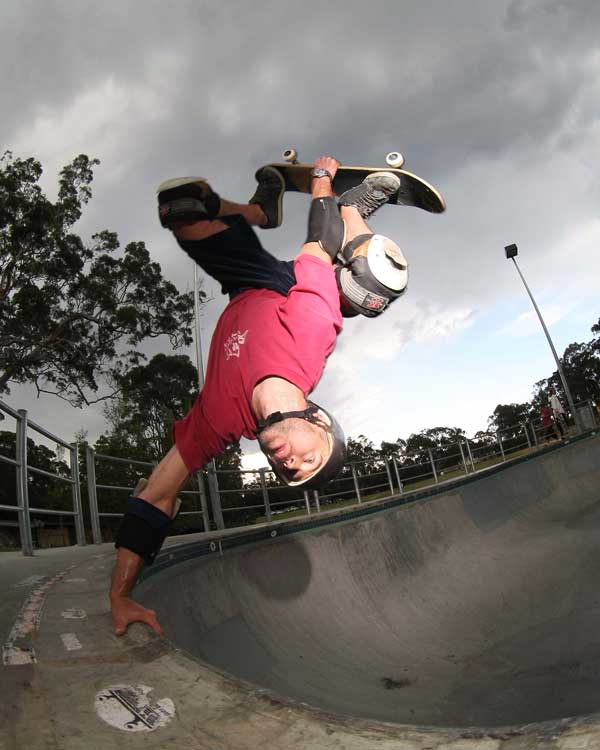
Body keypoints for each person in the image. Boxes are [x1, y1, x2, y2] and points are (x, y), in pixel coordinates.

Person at [109, 156, 409, 636]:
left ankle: (262, 210)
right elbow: (318, 244)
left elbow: (156, 495)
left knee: (180, 209)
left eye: (290, 475)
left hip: (247, 283)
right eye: (309, 461)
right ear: (317, 421)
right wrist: (321, 180)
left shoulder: (219, 422)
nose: (290, 467)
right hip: (292, 288)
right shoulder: (311, 339)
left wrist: (120, 595)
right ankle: (355, 214)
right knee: (376, 282)